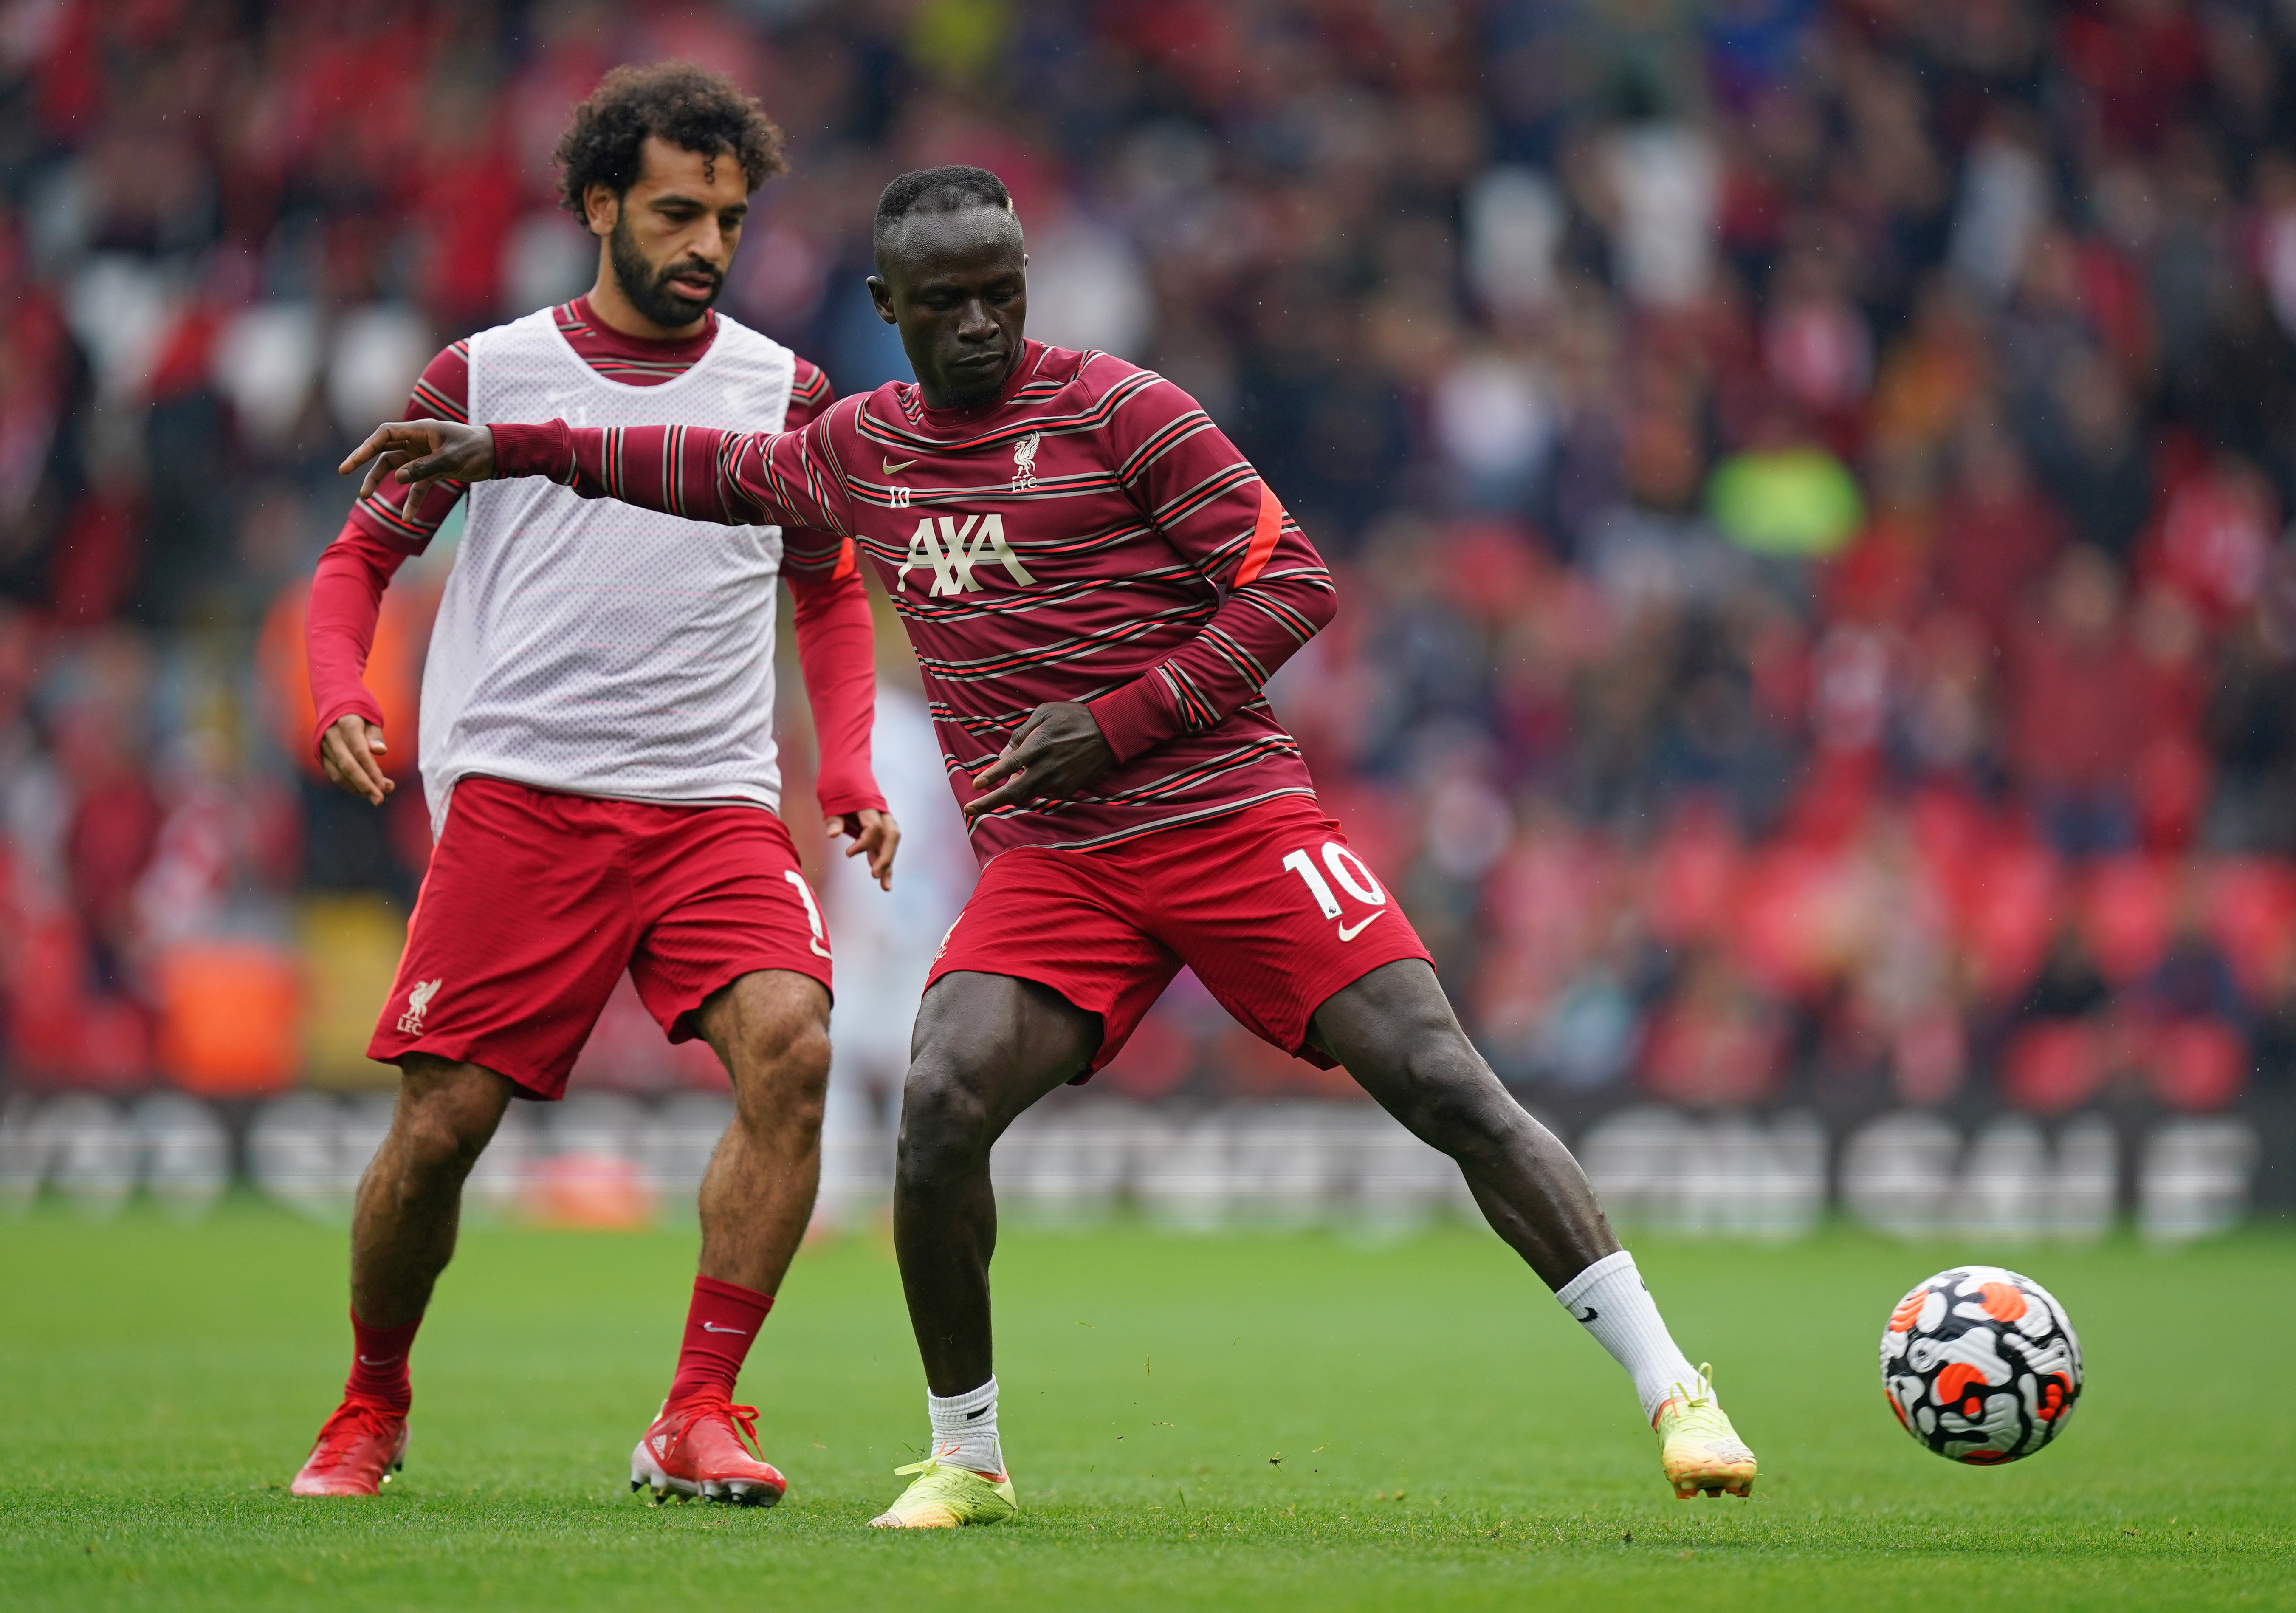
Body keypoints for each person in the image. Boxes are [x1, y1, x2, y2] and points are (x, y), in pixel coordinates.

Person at [339, 163, 1757, 1525]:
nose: (977, 324)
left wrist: (1123, 718)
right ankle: (969, 1457)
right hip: (1060, 868)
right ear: (888, 311)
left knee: (1441, 1078)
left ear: (1026, 285)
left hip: (1227, 818)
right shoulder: (865, 447)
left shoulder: (1123, 410)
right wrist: (508, 447)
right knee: (942, 1100)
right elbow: (700, 465)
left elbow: (1293, 582)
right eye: (944, 302)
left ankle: (1672, 1385)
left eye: (998, 295)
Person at [293, 63, 898, 1508]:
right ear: (597, 204)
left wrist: (853, 763)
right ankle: (371, 1402)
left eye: (731, 220)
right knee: (440, 1132)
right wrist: (339, 692)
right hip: (523, 794)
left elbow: (827, 593)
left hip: (712, 802)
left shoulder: (785, 390)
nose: (707, 245)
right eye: (679, 212)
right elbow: (352, 563)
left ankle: (698, 1410)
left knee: (797, 1055)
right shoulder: (486, 375)